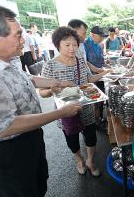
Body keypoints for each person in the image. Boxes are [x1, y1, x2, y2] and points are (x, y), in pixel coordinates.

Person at [0, 4, 81, 196]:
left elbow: (27, 78)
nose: (23, 40)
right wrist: (61, 112)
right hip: (7, 152)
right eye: (17, 35)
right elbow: (5, 126)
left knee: (38, 183)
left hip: (31, 137)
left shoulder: (9, 60)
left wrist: (57, 82)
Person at [39, 27, 102, 176]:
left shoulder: (80, 61)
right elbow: (42, 93)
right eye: (67, 45)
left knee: (91, 137)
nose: (72, 48)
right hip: (65, 110)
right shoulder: (50, 65)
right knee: (72, 138)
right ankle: (79, 159)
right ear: (58, 45)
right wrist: (51, 90)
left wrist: (105, 73)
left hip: (85, 106)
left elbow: (88, 80)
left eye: (75, 44)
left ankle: (90, 161)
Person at [84, 26, 108, 124]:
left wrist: (107, 64)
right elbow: (85, 63)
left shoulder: (99, 45)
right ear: (92, 34)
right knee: (92, 100)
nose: (102, 39)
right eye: (100, 36)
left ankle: (99, 118)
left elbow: (101, 61)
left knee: (100, 98)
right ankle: (94, 121)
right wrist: (99, 70)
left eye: (103, 37)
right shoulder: (84, 45)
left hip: (100, 77)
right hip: (90, 78)